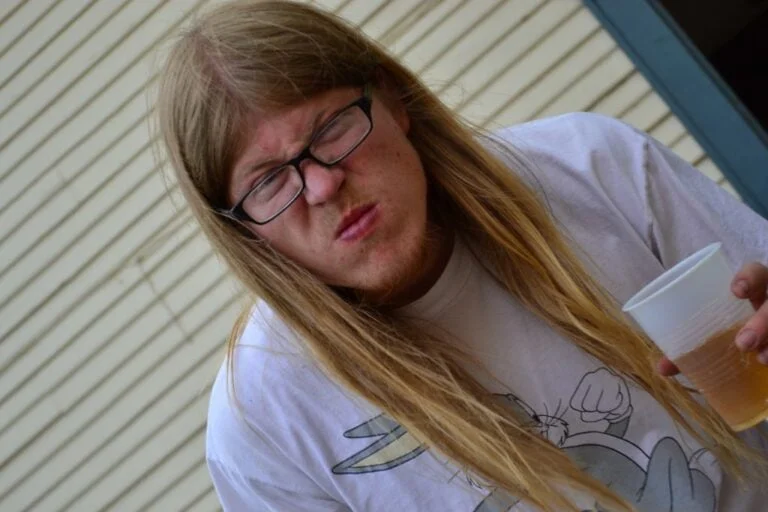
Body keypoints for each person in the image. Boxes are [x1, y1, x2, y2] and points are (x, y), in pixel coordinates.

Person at [156, 1, 768, 510]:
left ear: (393, 100)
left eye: (330, 130)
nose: (321, 186)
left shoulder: (590, 167)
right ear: (243, 230)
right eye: (269, 183)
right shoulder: (265, 426)